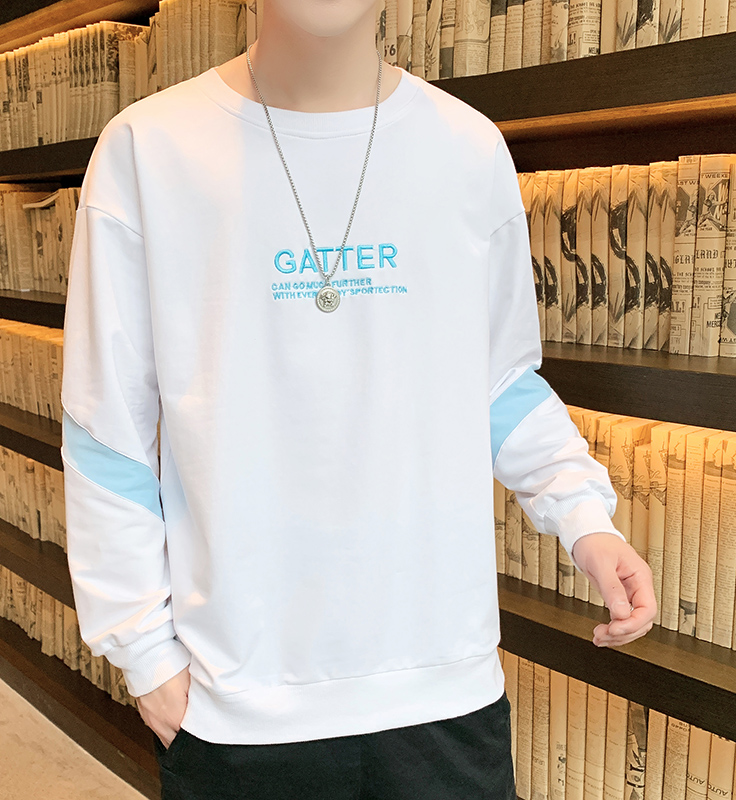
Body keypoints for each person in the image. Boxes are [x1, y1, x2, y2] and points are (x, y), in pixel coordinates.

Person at [60, 1, 658, 797]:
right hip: (239, 696)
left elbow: (499, 383)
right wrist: (143, 650)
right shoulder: (148, 149)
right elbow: (106, 424)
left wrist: (585, 520)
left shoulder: (467, 147)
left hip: (443, 685)